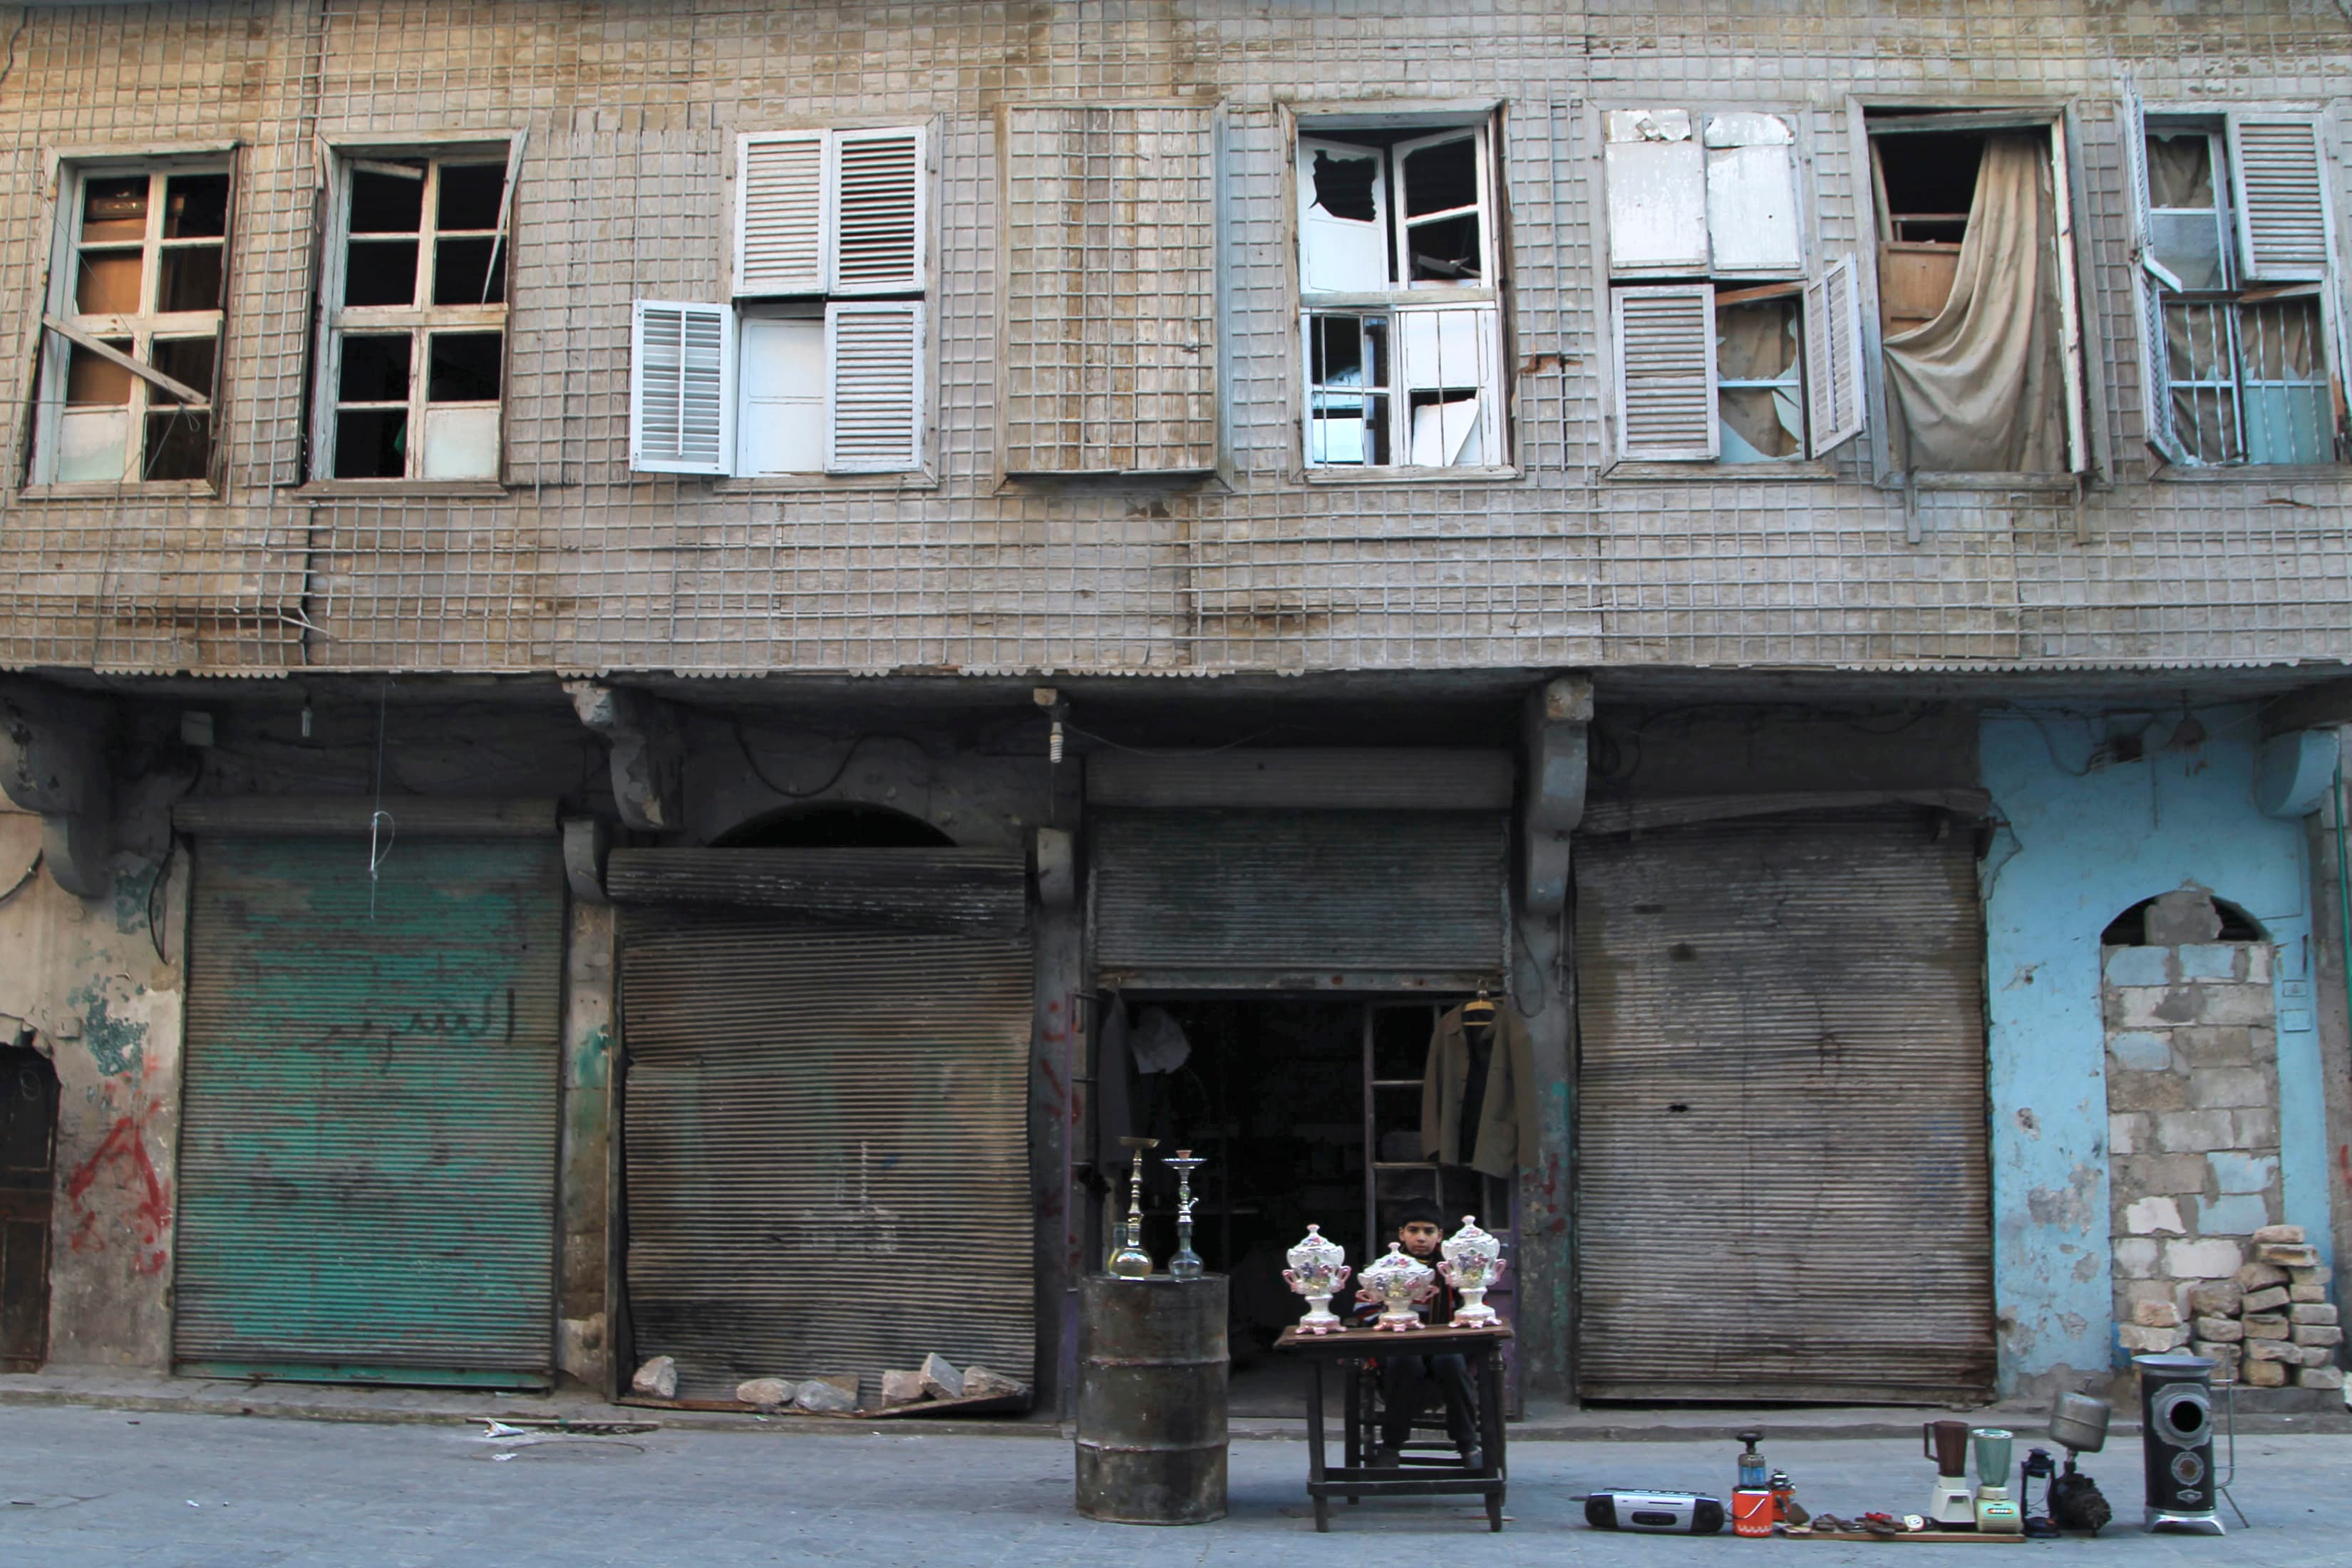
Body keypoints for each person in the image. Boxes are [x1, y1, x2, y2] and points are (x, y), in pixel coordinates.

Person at [1355, 1204, 1481, 1470]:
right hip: (1398, 1350)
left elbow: (1472, 1309)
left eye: (1428, 1231)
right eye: (1413, 1230)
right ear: (1401, 1234)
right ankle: (1391, 1446)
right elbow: (1363, 1310)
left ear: (1440, 1236)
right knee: (1406, 1362)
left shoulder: (1454, 1271)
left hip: (1446, 1348)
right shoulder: (1383, 1268)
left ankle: (1468, 1444)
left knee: (1450, 1361)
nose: (1421, 1238)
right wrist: (1388, 1319)